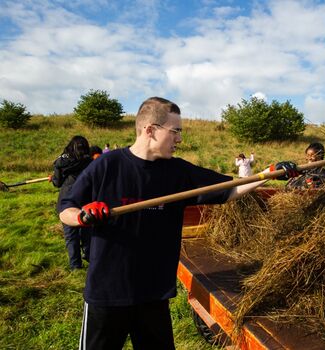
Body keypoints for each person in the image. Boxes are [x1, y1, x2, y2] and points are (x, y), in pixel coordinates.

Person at [58, 97, 300, 349]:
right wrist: (82, 215)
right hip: (107, 294)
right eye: (175, 131)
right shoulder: (107, 165)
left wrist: (271, 172)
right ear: (150, 130)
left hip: (153, 294)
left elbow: (230, 190)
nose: (179, 139)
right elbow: (66, 209)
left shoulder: (178, 172)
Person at [51, 136, 92, 270]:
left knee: (71, 234)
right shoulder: (90, 162)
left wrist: (55, 177)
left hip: (67, 200)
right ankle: (89, 255)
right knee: (87, 229)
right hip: (86, 199)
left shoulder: (62, 162)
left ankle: (75, 265)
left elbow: (57, 183)